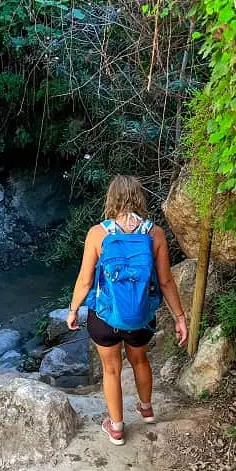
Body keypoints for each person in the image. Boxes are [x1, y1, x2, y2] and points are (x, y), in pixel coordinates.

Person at [66, 175, 188, 445]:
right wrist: (180, 317)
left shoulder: (98, 234)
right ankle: (146, 409)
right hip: (140, 316)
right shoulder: (154, 233)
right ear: (139, 198)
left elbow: (86, 280)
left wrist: (73, 309)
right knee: (140, 361)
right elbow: (166, 280)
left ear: (111, 199)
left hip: (105, 317)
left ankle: (117, 428)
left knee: (111, 369)